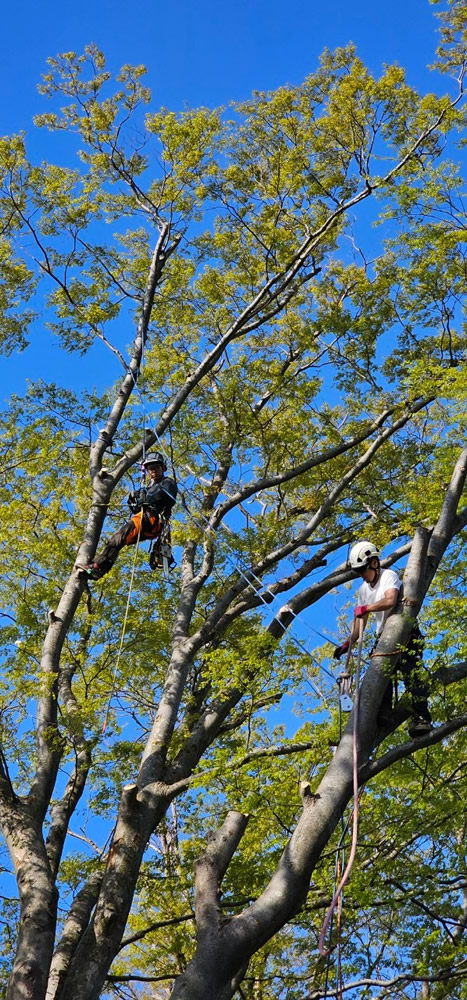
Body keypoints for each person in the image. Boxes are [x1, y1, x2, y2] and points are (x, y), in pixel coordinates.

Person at [333, 541, 432, 738]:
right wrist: (348, 643)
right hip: (383, 636)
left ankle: (422, 718)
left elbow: (390, 600)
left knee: (410, 673)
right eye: (358, 571)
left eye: (363, 569)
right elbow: (360, 624)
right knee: (380, 673)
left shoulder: (388, 576)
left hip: (405, 634)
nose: (362, 574)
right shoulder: (363, 590)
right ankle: (384, 712)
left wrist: (367, 608)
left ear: (374, 563)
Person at [82, 453, 177, 580]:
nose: (153, 470)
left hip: (151, 519)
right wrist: (134, 499)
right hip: (144, 521)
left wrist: (147, 496)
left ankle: (96, 567)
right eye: (150, 468)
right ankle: (98, 569)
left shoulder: (167, 482)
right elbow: (137, 508)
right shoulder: (149, 486)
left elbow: (168, 498)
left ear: (163, 468)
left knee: (118, 538)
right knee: (117, 542)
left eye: (156, 467)